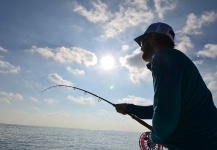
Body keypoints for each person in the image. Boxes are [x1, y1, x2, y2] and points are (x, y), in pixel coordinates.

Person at [116, 22, 217, 149]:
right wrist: (130, 109)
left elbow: (166, 115)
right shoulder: (175, 60)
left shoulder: (163, 56)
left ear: (152, 37)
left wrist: (156, 137)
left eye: (142, 42)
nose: (141, 48)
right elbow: (164, 107)